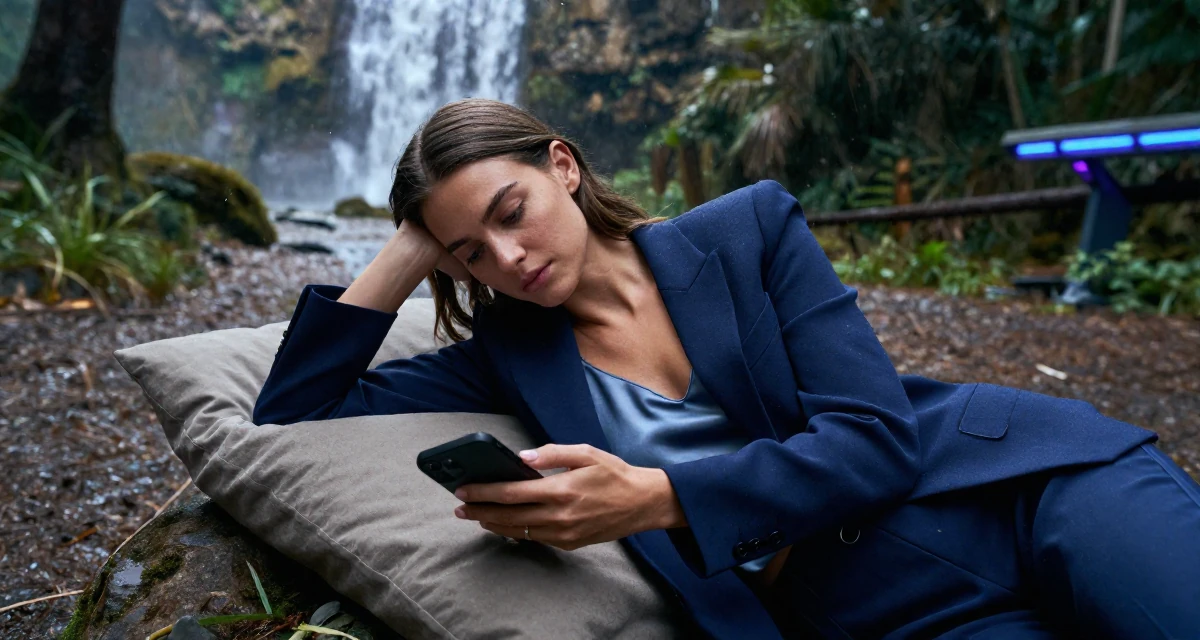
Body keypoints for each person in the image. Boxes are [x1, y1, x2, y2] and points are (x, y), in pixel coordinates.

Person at [254, 98, 1200, 640]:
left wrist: (661, 497)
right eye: (469, 253)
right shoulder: (506, 356)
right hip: (876, 618)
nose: (505, 259)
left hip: (1018, 493)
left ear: (564, 166)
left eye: (511, 211)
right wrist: (411, 246)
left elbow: (873, 445)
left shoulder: (749, 229)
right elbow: (297, 412)